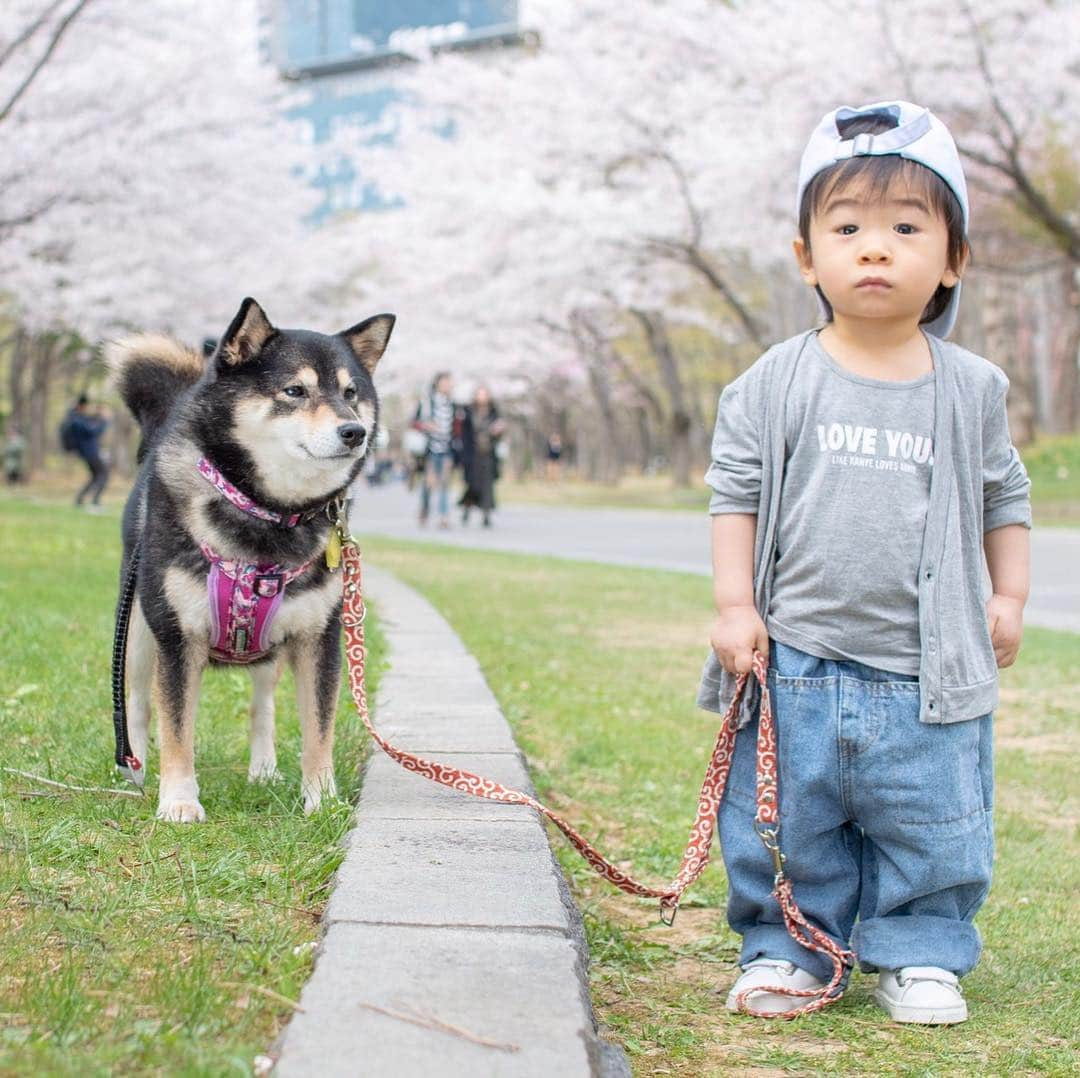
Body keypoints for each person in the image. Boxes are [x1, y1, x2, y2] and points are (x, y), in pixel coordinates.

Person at [698, 101, 1031, 1025]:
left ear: (952, 257)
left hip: (926, 669)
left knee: (931, 820)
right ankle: (786, 948)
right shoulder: (774, 380)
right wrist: (735, 607)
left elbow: (1005, 496)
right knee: (784, 825)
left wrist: (1009, 594)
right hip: (797, 659)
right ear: (808, 256)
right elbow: (738, 496)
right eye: (846, 228)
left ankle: (921, 951)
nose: (874, 249)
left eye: (905, 228)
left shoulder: (971, 389)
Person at [412, 372, 457, 528]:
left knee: (445, 482)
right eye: (445, 382)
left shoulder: (452, 404)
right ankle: (424, 510)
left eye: (449, 382)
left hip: (447, 449)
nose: (448, 385)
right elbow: (414, 422)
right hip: (430, 449)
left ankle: (443, 517)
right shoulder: (427, 402)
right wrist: (426, 426)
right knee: (429, 483)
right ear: (437, 383)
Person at [458, 385, 506, 527]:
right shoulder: (468, 412)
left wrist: (498, 431)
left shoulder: (494, 412)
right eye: (480, 394)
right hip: (473, 454)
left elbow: (500, 432)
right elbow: (464, 434)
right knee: (473, 484)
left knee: (487, 485)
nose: (482, 397)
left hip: (488, 453)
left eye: (485, 394)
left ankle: (486, 515)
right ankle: (467, 508)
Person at [66, 395, 111, 508]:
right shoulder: (76, 419)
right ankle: (95, 501)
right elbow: (93, 431)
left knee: (95, 475)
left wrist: (99, 415)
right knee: (103, 475)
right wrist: (105, 421)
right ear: (82, 406)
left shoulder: (77, 417)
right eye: (86, 406)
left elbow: (90, 422)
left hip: (88, 452)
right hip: (90, 452)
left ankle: (79, 499)